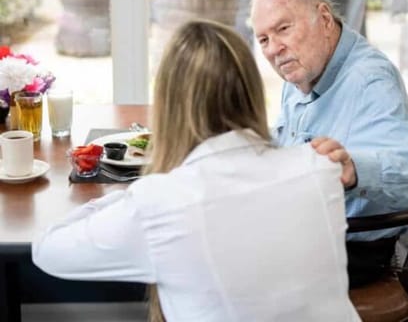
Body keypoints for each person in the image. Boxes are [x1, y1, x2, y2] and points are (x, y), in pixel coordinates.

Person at [32, 20, 360, 321]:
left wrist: (128, 197)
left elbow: (47, 250)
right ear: (251, 91)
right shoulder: (318, 170)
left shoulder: (159, 201)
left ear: (169, 105)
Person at [250, 0, 408, 288]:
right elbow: (292, 140)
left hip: (346, 253)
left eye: (283, 29)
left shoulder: (368, 81)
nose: (274, 49)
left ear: (324, 20)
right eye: (263, 39)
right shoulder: (301, 69)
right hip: (300, 234)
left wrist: (355, 169)